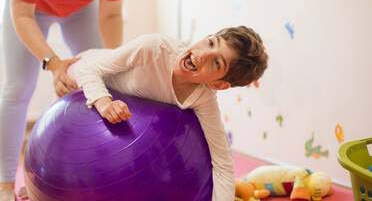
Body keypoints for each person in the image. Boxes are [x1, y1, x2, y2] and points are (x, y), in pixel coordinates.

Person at [68, 26, 268, 201]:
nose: (203, 54)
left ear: (218, 84)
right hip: (81, 76)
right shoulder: (155, 48)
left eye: (216, 63)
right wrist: (104, 103)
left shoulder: (202, 97)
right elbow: (87, 69)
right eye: (210, 43)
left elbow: (222, 163)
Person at [0, 0, 129, 200]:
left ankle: (97, 173)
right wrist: (54, 64)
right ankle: (4, 184)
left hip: (81, 8)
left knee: (105, 81)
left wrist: (115, 62)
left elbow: (111, 14)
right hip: (29, 10)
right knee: (17, 89)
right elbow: (22, 15)